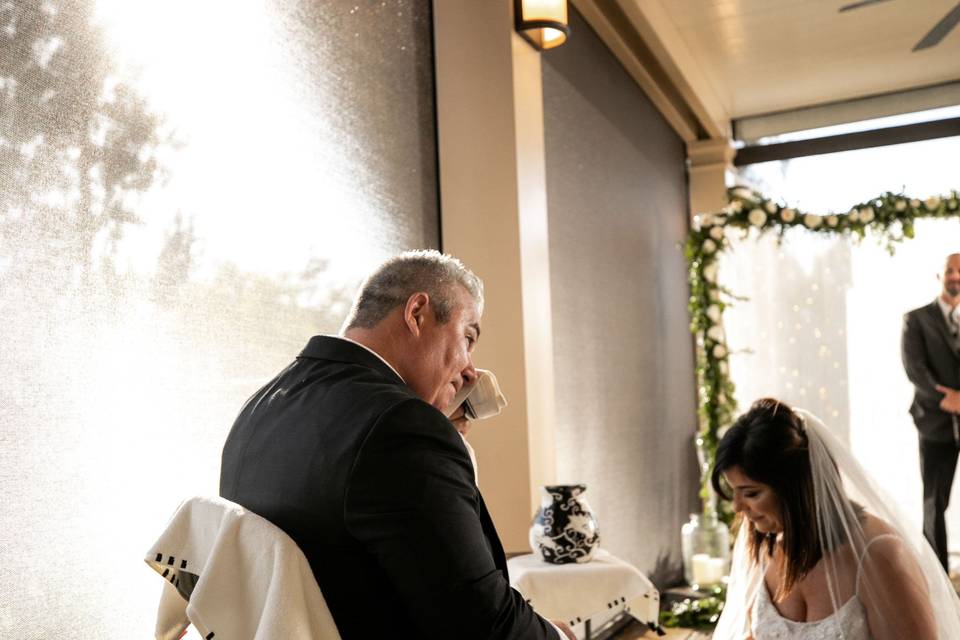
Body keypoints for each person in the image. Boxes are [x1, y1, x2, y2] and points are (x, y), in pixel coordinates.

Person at [220, 250, 573, 639]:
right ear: (417, 312)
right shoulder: (403, 428)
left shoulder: (262, 405)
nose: (471, 369)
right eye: (468, 337)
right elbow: (480, 625)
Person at [711, 398, 960, 640]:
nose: (737, 507)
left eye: (751, 493)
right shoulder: (764, 546)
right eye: (734, 492)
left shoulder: (878, 555)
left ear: (796, 486)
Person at [902, 252, 960, 571]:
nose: (955, 276)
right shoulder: (916, 319)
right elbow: (915, 368)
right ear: (939, 276)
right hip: (934, 423)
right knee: (935, 502)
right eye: (949, 270)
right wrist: (947, 398)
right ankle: (937, 574)